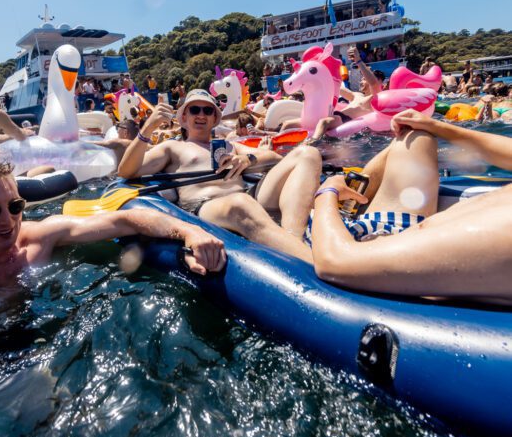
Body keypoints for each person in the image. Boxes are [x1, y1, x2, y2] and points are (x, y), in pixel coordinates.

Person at [0, 160, 226, 375]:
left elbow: (128, 220)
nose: (7, 221)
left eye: (15, 206)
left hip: (24, 357)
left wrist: (190, 232)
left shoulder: (37, 239)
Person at [303, 109, 512, 304]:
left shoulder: (503, 234)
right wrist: (436, 127)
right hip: (394, 236)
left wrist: (327, 192)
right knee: (416, 137)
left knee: (304, 160)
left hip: (368, 249)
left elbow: (336, 263)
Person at [119, 90, 319, 261]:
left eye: (207, 110)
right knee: (239, 203)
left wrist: (248, 159)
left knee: (308, 154)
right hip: (205, 206)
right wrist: (147, 129)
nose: (201, 114)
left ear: (215, 118)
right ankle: (314, 263)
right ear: (184, 117)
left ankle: (293, 239)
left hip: (249, 198)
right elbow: (126, 171)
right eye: (194, 109)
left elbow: (275, 157)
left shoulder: (229, 144)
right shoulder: (173, 147)